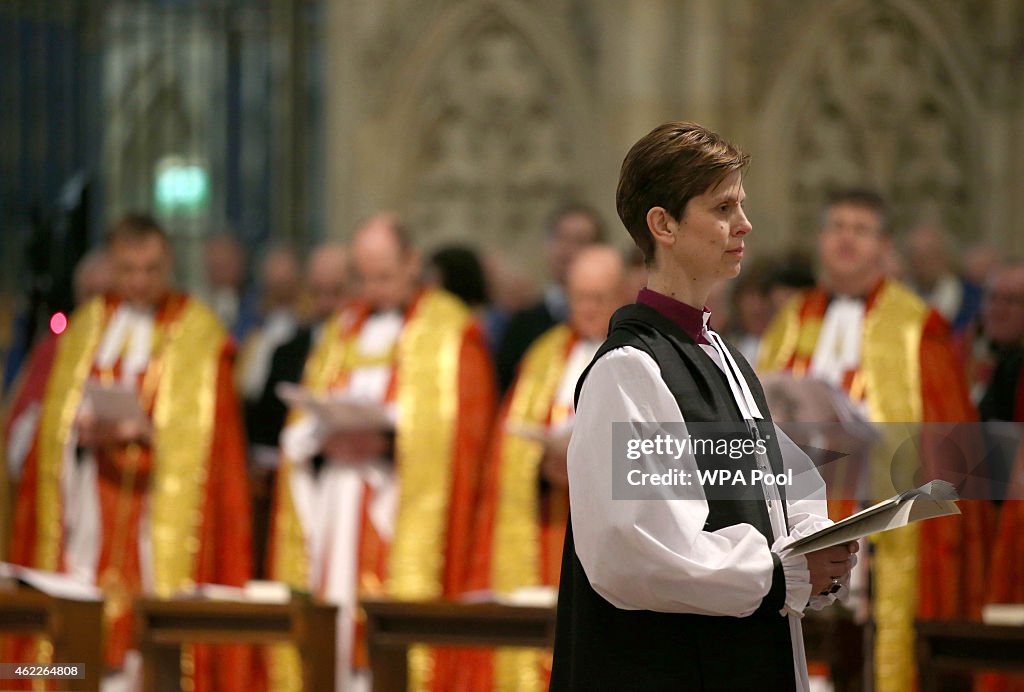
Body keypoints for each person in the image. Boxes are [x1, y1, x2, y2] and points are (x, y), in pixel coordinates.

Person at [550, 121, 856, 691]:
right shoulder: (629, 372)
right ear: (662, 224)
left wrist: (818, 540)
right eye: (722, 208)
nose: (744, 225)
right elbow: (639, 553)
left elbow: (776, 485)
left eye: (740, 204)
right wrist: (783, 571)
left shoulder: (725, 360)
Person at [758, 189, 992, 692]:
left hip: (883, 523)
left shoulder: (916, 326)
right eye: (836, 226)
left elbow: (951, 447)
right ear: (820, 240)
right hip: (799, 522)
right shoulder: (791, 320)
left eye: (860, 230)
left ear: (884, 246)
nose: (846, 239)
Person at [8, 214, 253, 691]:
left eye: (151, 269)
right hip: (91, 510)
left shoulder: (200, 334)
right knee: (75, 657)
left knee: (145, 662)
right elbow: (47, 438)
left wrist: (149, 433)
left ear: (170, 265)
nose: (140, 281)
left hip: (156, 519)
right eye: (128, 269)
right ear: (112, 267)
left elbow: (215, 452)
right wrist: (81, 436)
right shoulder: (83, 330)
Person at [265, 214, 496, 692]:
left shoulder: (450, 329)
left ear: (413, 263)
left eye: (385, 276)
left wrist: (387, 443)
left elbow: (466, 436)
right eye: (365, 277)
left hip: (396, 508)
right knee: (336, 628)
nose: (374, 288)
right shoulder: (340, 330)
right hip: (335, 507)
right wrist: (322, 440)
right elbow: (301, 422)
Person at [454, 244, 626, 691]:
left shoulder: (639, 356)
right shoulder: (544, 357)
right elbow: (506, 453)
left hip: (612, 542)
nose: (587, 309)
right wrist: (542, 467)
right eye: (579, 297)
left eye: (598, 297)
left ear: (625, 293)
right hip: (550, 527)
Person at [246, 241, 350, 577]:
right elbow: (264, 427)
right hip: (298, 481)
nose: (325, 304)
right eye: (317, 292)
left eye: (336, 292)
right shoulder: (289, 351)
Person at [496, 203, 604, 391]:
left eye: (580, 240)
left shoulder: (611, 319)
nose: (568, 250)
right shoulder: (524, 322)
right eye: (562, 238)